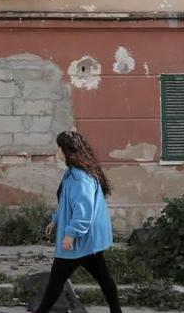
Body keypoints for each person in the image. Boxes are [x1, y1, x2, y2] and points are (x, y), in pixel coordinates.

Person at [35, 131, 121, 313]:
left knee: (57, 279)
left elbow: (83, 212)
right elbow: (67, 203)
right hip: (88, 241)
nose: (57, 151)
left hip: (80, 240)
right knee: (103, 277)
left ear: (68, 150)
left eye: (59, 147)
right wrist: (56, 220)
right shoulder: (72, 174)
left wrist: (70, 234)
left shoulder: (80, 178)